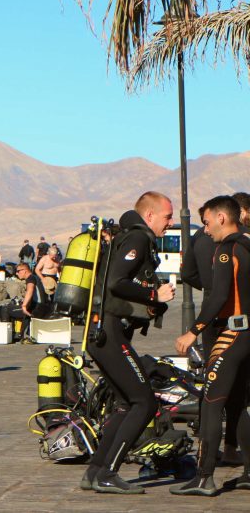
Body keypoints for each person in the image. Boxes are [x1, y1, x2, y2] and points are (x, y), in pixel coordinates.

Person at [81, 191, 175, 494]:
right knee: (144, 402)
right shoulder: (137, 238)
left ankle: (95, 471)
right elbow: (115, 283)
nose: (170, 224)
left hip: (103, 331)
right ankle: (108, 472)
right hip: (108, 332)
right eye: (167, 217)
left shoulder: (129, 237)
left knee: (124, 404)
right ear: (149, 216)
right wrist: (153, 296)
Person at [171, 196, 250, 496]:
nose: (204, 230)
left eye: (205, 223)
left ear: (221, 218)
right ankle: (249, 472)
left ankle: (204, 476)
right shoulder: (247, 244)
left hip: (231, 334)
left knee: (212, 403)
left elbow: (217, 298)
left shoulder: (226, 250)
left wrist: (193, 332)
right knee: (239, 405)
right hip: (248, 335)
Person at [10, 262, 50, 341]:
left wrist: (24, 306)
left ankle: (14, 335)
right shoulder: (35, 277)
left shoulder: (30, 278)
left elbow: (30, 290)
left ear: (24, 270)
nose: (16, 273)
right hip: (42, 307)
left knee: (7, 309)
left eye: (18, 271)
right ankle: (20, 334)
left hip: (37, 309)